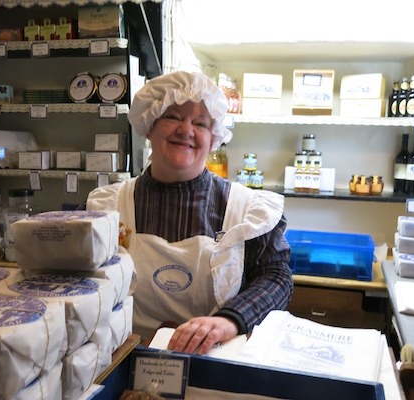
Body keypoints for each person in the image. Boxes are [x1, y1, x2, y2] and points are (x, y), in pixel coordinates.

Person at [86, 70, 293, 355]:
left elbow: (276, 277)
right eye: (173, 117)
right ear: (149, 126)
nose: (186, 130)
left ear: (213, 138)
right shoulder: (110, 206)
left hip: (213, 361)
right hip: (126, 358)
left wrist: (228, 320)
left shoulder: (245, 208)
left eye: (201, 123)